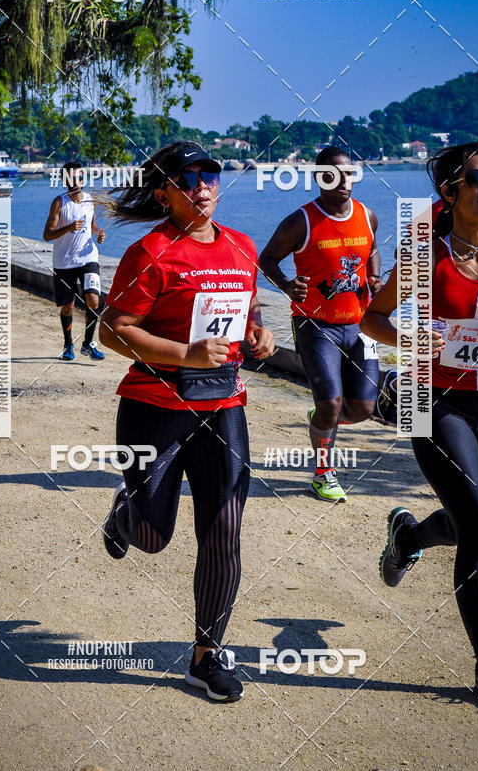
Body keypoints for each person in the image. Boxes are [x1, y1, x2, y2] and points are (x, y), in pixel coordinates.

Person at [98, 140, 274, 702]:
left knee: (224, 528)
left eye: (210, 173)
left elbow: (249, 308)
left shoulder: (242, 248)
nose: (203, 182)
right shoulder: (150, 252)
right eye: (188, 175)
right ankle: (126, 513)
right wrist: (185, 355)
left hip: (224, 408)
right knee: (152, 537)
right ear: (165, 191)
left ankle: (206, 654)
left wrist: (258, 334)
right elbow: (114, 329)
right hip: (154, 408)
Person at [360, 141, 478, 706]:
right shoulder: (428, 255)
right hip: (432, 400)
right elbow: (373, 317)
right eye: (476, 178)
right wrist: (413, 339)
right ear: (450, 192)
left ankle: (411, 536)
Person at [259, 146, 382, 503]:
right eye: (332, 174)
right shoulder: (301, 221)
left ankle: (321, 420)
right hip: (316, 325)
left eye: (348, 173)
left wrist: (374, 278)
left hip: (360, 326)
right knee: (331, 402)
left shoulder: (367, 215)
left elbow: (372, 250)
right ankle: (323, 473)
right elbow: (266, 258)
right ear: (319, 178)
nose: (342, 180)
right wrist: (286, 286)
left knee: (362, 409)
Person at [43, 161, 106, 361]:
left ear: (83, 179)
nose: (76, 181)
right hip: (64, 261)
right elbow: (47, 235)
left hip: (88, 257)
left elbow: (92, 223)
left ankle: (87, 344)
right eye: (71, 178)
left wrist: (99, 233)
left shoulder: (90, 200)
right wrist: (68, 228)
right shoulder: (59, 202)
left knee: (94, 299)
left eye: (79, 177)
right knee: (68, 306)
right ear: (65, 180)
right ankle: (68, 343)